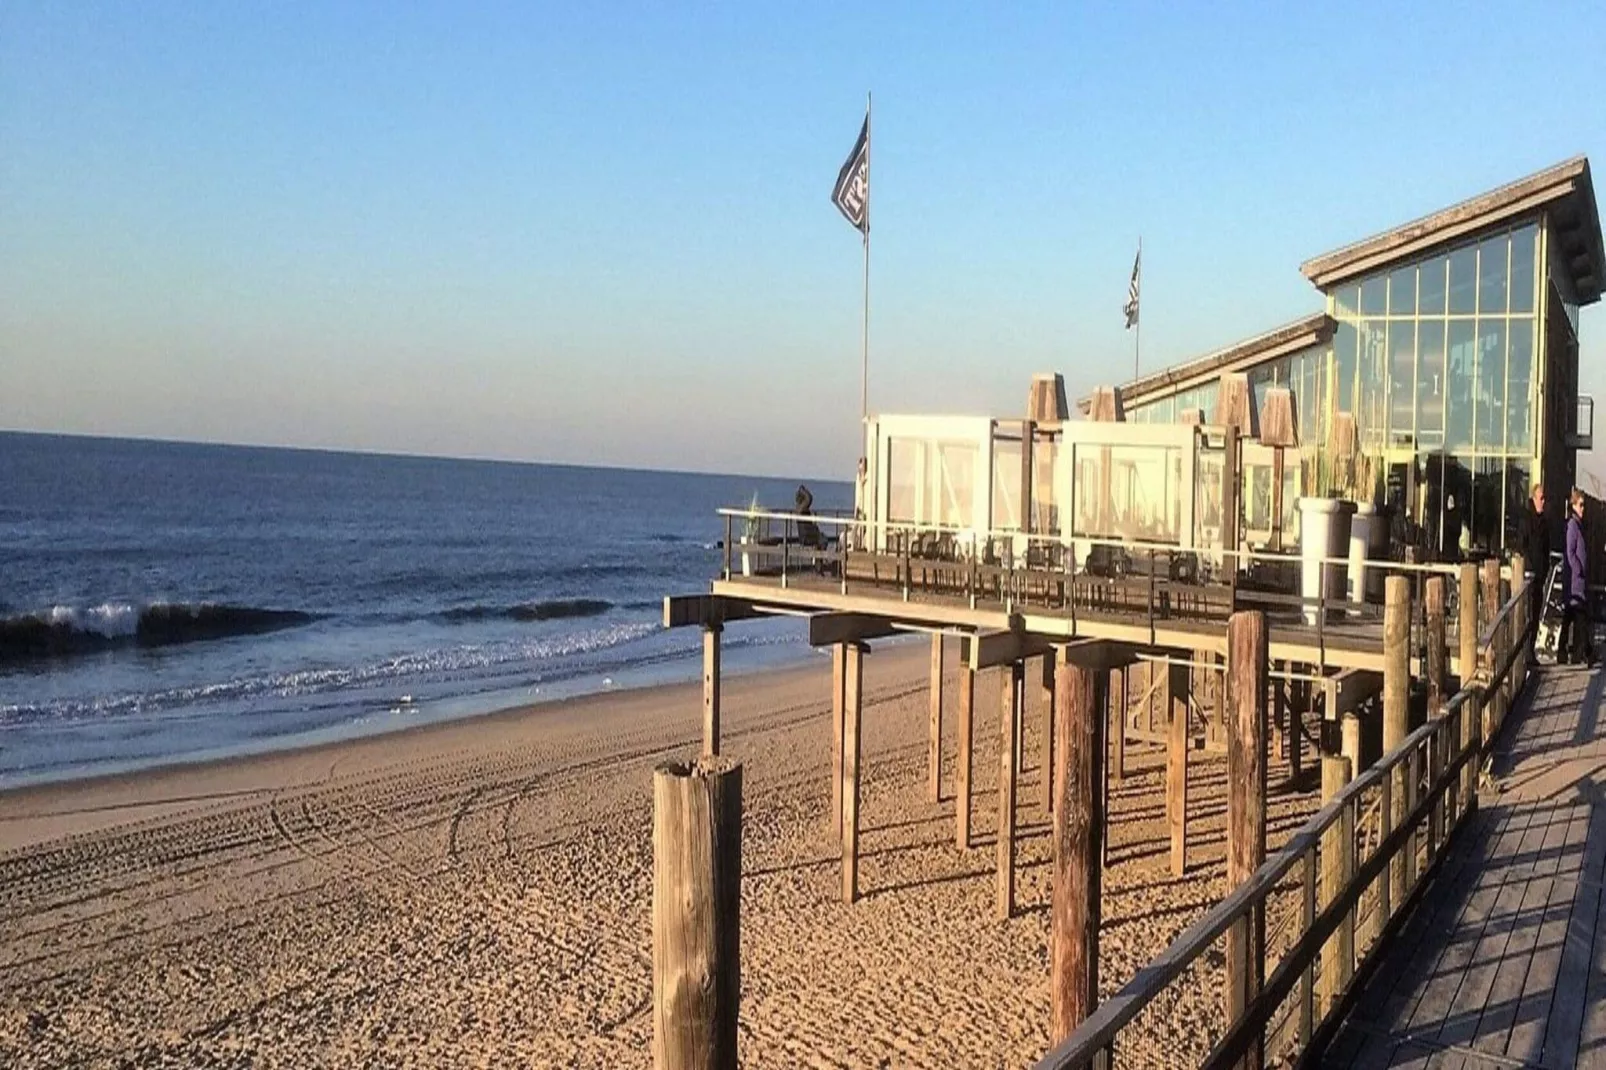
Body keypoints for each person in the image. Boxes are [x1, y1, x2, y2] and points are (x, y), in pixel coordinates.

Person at [1559, 487, 1597, 667]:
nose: (1583, 509)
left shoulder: (1579, 525)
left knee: (1570, 616)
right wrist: (1578, 569)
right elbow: (1570, 551)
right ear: (1574, 505)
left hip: (1578, 581)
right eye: (1581, 505)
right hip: (1575, 580)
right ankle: (1587, 652)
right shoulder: (1572, 526)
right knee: (1580, 616)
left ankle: (1566, 652)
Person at [1519, 483, 1549, 645]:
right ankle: (1524, 651)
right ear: (1534, 499)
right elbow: (1521, 545)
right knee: (1527, 615)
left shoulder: (1544, 523)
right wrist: (1528, 566)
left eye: (1545, 499)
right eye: (1541, 498)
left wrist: (1545, 570)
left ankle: (1531, 648)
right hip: (1529, 576)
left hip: (1540, 577)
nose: (1543, 502)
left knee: (1536, 614)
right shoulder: (1526, 520)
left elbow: (1546, 548)